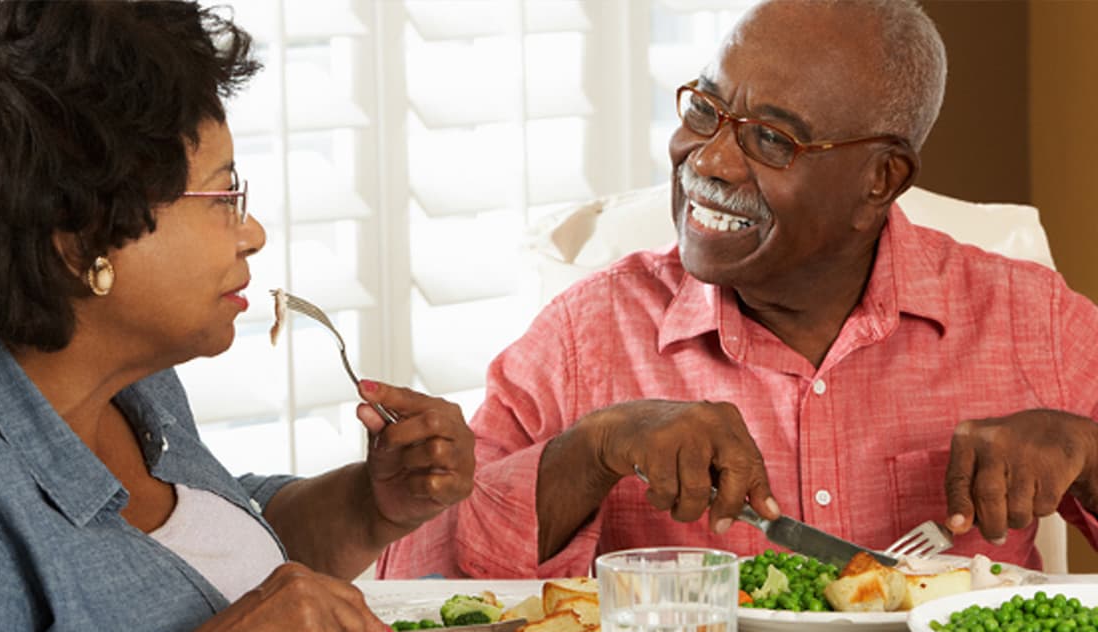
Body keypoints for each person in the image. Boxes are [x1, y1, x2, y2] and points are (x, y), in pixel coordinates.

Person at [0, 2, 474, 632]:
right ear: (81, 242)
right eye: (223, 195)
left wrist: (367, 505)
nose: (251, 232)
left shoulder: (112, 366)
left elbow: (190, 563)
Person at [377, 0, 1098, 580]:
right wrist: (593, 450)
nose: (713, 161)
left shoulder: (1029, 321)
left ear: (880, 180)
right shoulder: (586, 335)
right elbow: (413, 577)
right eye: (704, 112)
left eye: (772, 139)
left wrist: (1086, 453)